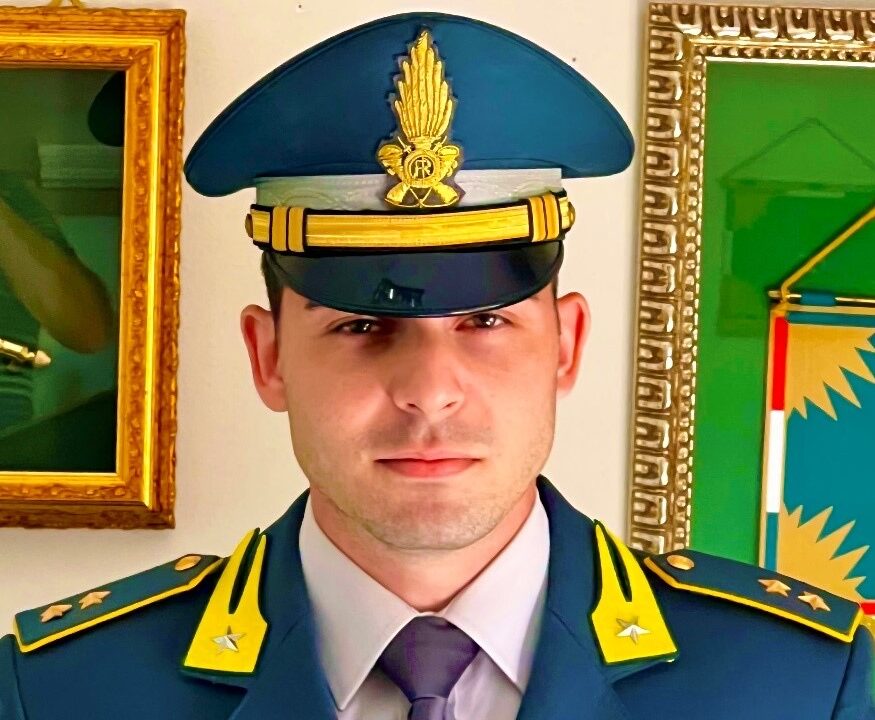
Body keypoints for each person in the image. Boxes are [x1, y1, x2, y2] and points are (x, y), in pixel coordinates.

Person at [1, 12, 872, 720]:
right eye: (360, 327)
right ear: (268, 358)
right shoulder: (63, 693)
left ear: (566, 345)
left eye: (485, 320)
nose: (428, 391)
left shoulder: (797, 686)